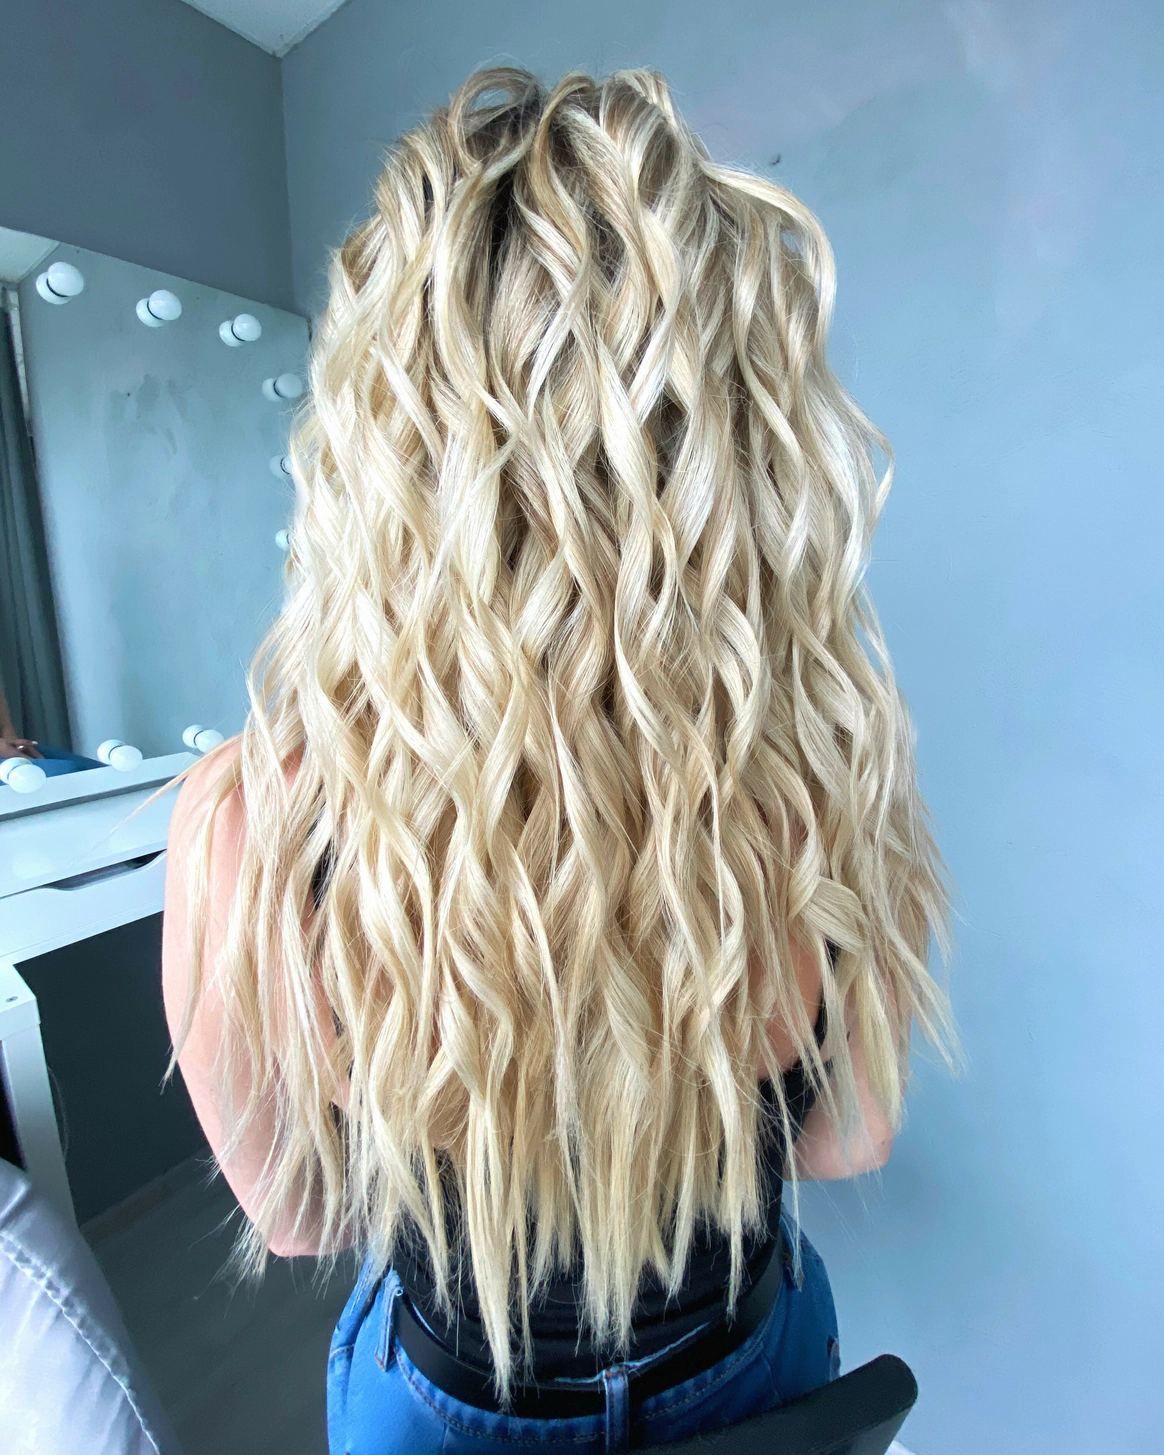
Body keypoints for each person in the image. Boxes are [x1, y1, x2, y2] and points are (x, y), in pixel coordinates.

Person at [158, 65, 958, 1455]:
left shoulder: (252, 821)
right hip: (751, 1377)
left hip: (450, 1407)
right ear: (735, 435)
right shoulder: (819, 775)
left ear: (381, 448)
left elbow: (297, 1216)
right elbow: (850, 1140)